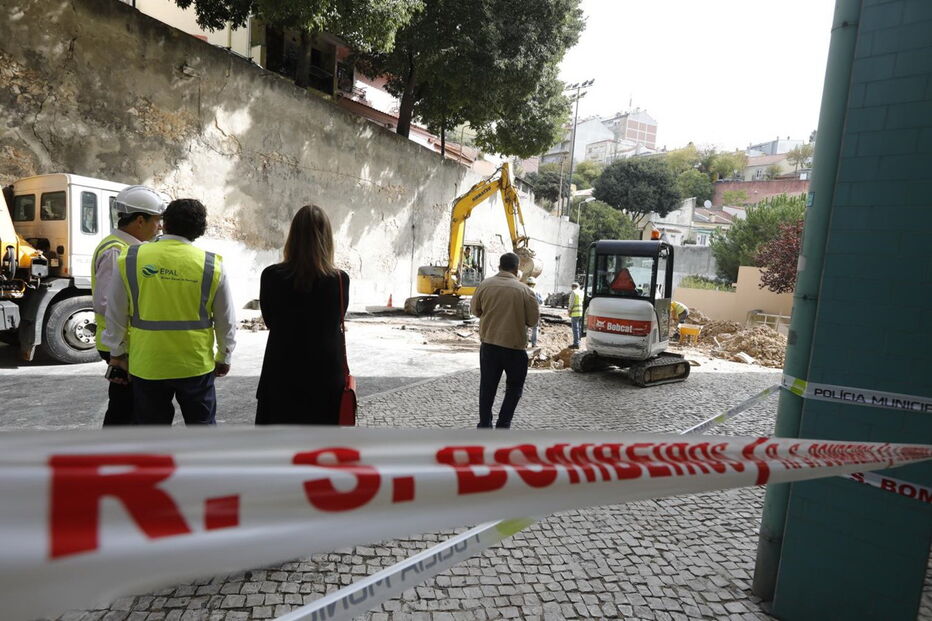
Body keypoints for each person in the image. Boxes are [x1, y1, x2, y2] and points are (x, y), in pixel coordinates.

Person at [103, 199, 236, 425]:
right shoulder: (211, 264)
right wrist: (224, 355)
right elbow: (226, 319)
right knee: (202, 430)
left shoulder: (131, 258)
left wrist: (117, 354)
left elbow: (115, 313)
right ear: (200, 230)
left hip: (147, 363)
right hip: (195, 364)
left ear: (164, 223)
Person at [255, 205, 349, 425]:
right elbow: (336, 320)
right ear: (327, 238)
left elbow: (269, 320)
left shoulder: (270, 276)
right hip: (324, 375)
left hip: (281, 371)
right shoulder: (339, 280)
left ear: (293, 236)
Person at [91, 185, 166, 426]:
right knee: (124, 408)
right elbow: (106, 304)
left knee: (130, 406)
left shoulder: (128, 248)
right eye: (157, 220)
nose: (160, 226)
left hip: (125, 343)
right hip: (119, 344)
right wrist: (119, 352)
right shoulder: (116, 251)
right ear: (140, 220)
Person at [470, 252, 539, 429]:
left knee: (487, 387)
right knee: (514, 389)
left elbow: (475, 311)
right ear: (517, 269)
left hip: (490, 345)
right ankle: (503, 425)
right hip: (514, 348)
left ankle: (485, 425)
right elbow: (532, 321)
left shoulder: (484, 285)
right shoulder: (525, 291)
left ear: (499, 266)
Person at [526, 276, 543, 347]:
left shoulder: (524, 290)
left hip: (525, 312)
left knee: (525, 328)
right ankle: (534, 343)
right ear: (534, 284)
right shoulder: (537, 292)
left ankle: (525, 343)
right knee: (535, 328)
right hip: (534, 312)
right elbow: (541, 301)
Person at [568, 281, 584, 349]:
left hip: (575, 313)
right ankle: (579, 342)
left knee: (575, 329)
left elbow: (571, 303)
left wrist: (569, 311)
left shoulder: (574, 292)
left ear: (573, 287)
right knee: (579, 329)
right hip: (581, 313)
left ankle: (576, 344)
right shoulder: (582, 292)